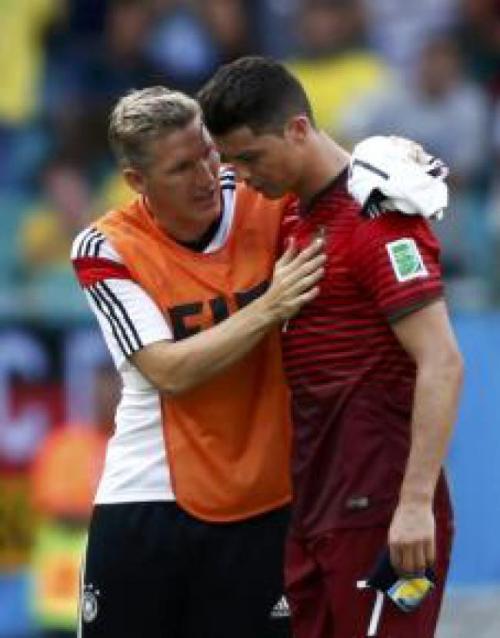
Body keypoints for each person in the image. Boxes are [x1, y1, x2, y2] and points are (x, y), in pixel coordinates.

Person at [198, 56, 464, 638]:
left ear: (297, 129)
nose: (242, 177)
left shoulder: (379, 218)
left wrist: (415, 502)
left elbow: (442, 361)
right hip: (314, 505)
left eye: (250, 157)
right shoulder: (293, 216)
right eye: (232, 161)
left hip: (382, 509)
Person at [70, 86, 325, 638]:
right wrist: (269, 308)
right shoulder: (105, 246)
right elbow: (167, 370)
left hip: (261, 497)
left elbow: (332, 174)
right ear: (137, 182)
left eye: (209, 152)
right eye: (182, 167)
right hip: (149, 495)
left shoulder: (264, 197)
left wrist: (389, 164)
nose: (207, 175)